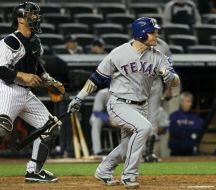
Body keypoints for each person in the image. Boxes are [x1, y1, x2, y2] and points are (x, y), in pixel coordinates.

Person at [67, 17, 180, 188]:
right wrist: (79, 98)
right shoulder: (118, 53)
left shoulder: (158, 56)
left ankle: (104, 169)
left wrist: (170, 77)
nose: (156, 35)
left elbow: (175, 80)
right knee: (145, 128)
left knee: (128, 145)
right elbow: (96, 79)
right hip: (119, 103)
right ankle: (130, 175)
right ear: (141, 33)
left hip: (142, 105)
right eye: (152, 32)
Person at [0, 2, 63, 182]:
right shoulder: (10, 41)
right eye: (31, 14)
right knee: (1, 129)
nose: (36, 17)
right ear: (20, 19)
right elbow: (1, 70)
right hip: (6, 90)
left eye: (36, 14)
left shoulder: (34, 40)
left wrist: (50, 81)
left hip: (25, 94)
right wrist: (21, 75)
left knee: (51, 127)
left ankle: (34, 171)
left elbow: (36, 66)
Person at [90, 88, 110, 155]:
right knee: (96, 122)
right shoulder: (103, 93)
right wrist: (110, 119)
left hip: (118, 118)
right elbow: (97, 112)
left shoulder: (125, 93)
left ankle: (140, 152)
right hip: (103, 117)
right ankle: (97, 151)